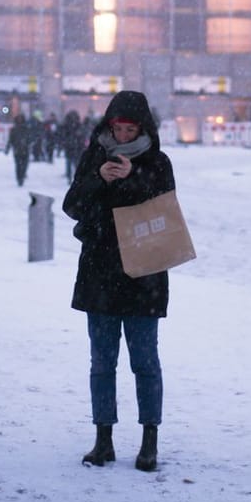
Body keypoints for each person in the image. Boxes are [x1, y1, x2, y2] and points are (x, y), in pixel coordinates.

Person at [63, 91, 173, 473]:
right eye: (118, 129)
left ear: (143, 129)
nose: (123, 136)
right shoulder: (95, 156)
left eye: (130, 130)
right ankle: (103, 439)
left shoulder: (158, 162)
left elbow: (164, 209)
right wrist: (97, 179)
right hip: (100, 273)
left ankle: (149, 440)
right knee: (102, 362)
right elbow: (72, 205)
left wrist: (133, 178)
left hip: (144, 273)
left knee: (145, 362)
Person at [6, 114, 32, 187]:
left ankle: (22, 176)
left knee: (24, 165)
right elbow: (11, 139)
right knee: (18, 165)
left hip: (25, 150)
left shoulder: (26, 129)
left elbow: (30, 138)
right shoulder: (14, 129)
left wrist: (28, 143)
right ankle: (19, 178)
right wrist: (7, 148)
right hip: (17, 150)